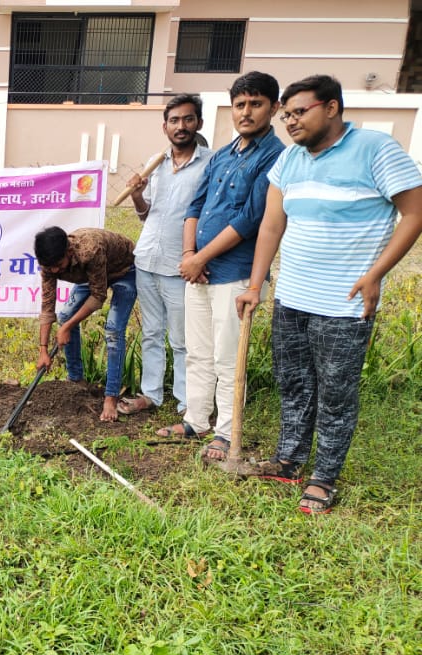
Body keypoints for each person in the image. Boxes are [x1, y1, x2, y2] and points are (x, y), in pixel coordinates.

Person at [236, 75, 422, 513]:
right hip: (292, 298)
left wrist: (376, 274)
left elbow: (414, 214)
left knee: (336, 394)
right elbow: (271, 226)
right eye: (286, 115)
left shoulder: (375, 150)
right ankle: (288, 460)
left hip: (344, 304)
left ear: (332, 107)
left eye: (300, 112)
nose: (290, 121)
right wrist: (255, 285)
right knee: (293, 384)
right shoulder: (289, 161)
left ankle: (324, 477)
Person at [160, 71, 285, 460]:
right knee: (197, 351)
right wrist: (189, 256)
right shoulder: (223, 155)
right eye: (239, 104)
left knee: (228, 357)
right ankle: (196, 420)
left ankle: (227, 432)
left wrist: (201, 257)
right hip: (198, 272)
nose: (246, 112)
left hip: (235, 274)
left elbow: (250, 219)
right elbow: (195, 206)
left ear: (274, 108)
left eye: (255, 104)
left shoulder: (275, 156)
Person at [121, 94, 212, 417]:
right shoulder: (155, 162)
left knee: (182, 339)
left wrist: (200, 257)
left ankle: (188, 402)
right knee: (151, 333)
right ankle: (151, 394)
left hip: (180, 266)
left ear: (199, 123)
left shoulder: (210, 164)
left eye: (188, 119)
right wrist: (136, 196)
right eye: (174, 120)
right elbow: (147, 214)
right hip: (147, 260)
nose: (181, 126)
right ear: (165, 127)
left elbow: (209, 216)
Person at [34, 226, 137, 422]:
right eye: (50, 267)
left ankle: (111, 396)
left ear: (69, 251)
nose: (54, 271)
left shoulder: (90, 250)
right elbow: (47, 307)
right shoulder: (49, 264)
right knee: (65, 316)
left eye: (58, 265)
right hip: (91, 276)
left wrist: (66, 328)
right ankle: (76, 380)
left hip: (124, 270)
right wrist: (43, 350)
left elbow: (98, 296)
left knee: (113, 331)